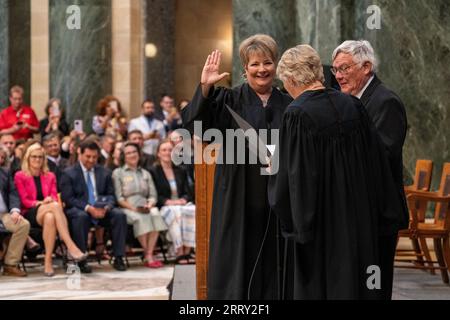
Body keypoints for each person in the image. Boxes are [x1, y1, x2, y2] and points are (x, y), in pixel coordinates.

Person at [270, 44, 405, 299]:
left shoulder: (297, 114)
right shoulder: (352, 105)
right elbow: (376, 163)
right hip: (359, 220)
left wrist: (294, 220)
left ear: (290, 78)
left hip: (323, 228)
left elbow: (295, 179)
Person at [182, 34, 292, 300]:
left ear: (276, 65)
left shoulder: (289, 104)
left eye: (267, 62)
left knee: (275, 262)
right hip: (237, 198)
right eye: (254, 64)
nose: (262, 69)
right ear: (245, 69)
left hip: (277, 198)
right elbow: (196, 126)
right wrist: (205, 89)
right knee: (237, 259)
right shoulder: (228, 100)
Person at [332, 40, 408, 300]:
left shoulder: (385, 102)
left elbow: (383, 155)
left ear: (366, 67)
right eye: (336, 70)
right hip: (358, 212)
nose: (339, 76)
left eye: (344, 69)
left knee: (375, 286)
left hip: (379, 213)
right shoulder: (354, 100)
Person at [14, 143, 87, 276]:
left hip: (48, 212)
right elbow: (24, 201)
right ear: (28, 158)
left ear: (44, 159)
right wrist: (42, 202)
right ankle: (70, 246)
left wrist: (49, 200)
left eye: (40, 157)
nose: (37, 160)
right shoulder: (20, 175)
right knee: (54, 207)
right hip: (29, 212)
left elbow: (53, 196)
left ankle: (48, 262)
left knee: (50, 217)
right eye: (34, 157)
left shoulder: (50, 176)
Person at [60, 140, 128, 273]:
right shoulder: (69, 173)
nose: (91, 160)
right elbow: (68, 199)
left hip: (101, 210)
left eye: (94, 157)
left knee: (119, 215)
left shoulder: (105, 172)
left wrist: (106, 207)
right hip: (81, 210)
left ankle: (118, 257)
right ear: (80, 154)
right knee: (81, 217)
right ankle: (81, 259)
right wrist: (88, 208)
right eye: (88, 156)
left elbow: (111, 195)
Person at [112, 142, 167, 268]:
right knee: (140, 218)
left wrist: (150, 204)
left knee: (156, 214)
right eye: (128, 153)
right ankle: (149, 256)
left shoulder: (145, 173)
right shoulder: (118, 173)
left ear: (139, 154)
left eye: (134, 152)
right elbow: (119, 198)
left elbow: (153, 195)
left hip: (145, 206)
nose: (132, 155)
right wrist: (134, 209)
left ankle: (148, 253)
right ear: (124, 156)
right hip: (127, 207)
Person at [151, 140, 194, 265]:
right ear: (158, 153)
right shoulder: (154, 171)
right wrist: (167, 201)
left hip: (181, 205)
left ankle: (188, 250)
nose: (167, 152)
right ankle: (179, 251)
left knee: (193, 211)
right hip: (164, 206)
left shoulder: (181, 170)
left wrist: (184, 199)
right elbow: (154, 193)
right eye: (164, 150)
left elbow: (187, 191)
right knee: (175, 212)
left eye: (170, 150)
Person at [0, 167, 30, 277]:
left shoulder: (5, 172)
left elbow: (13, 193)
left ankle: (10, 265)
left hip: (4, 214)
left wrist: (15, 211)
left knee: (23, 225)